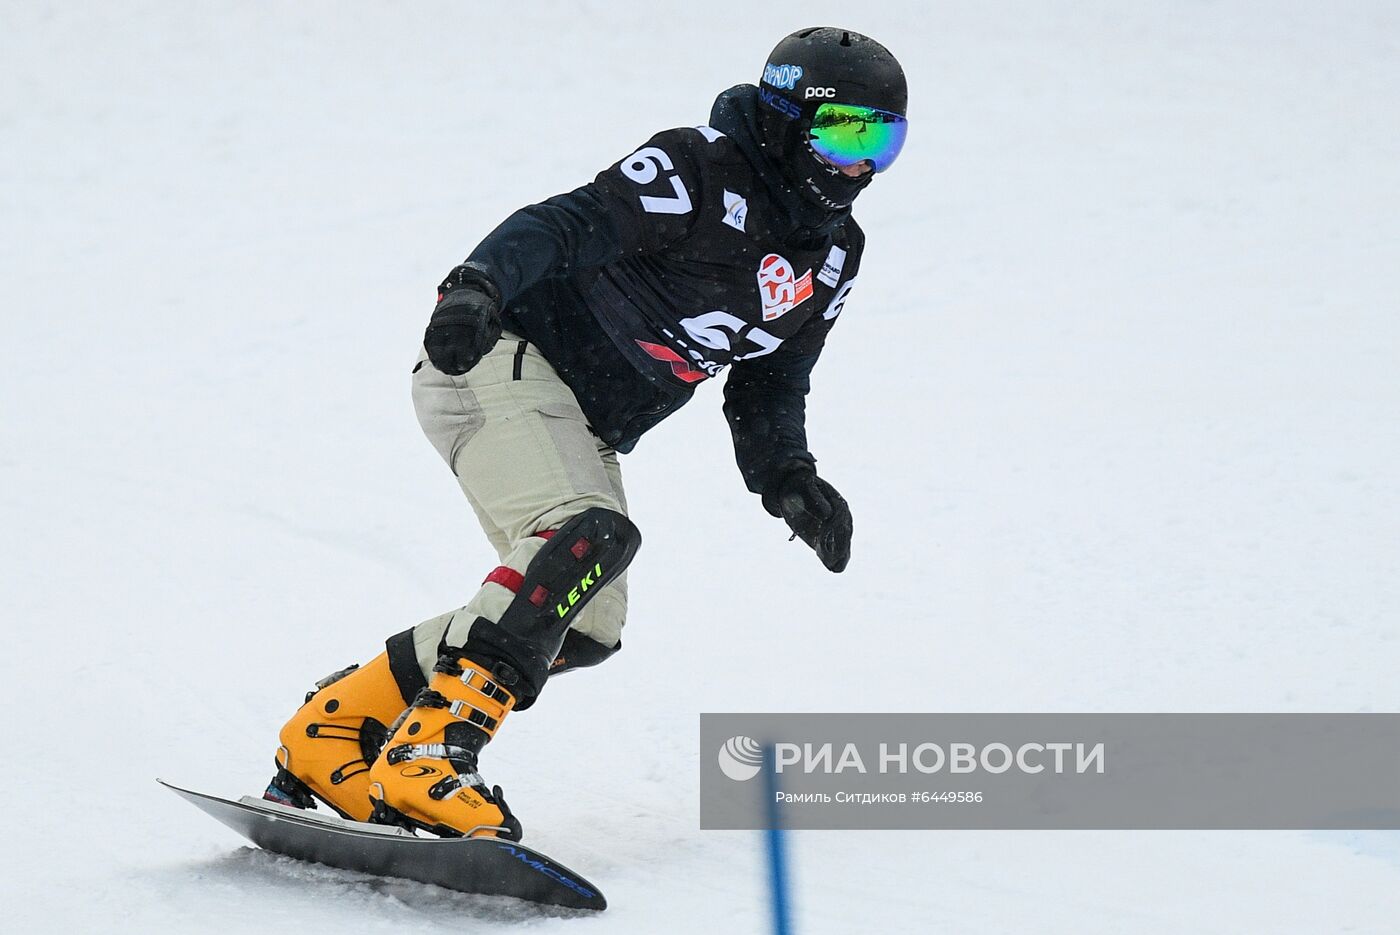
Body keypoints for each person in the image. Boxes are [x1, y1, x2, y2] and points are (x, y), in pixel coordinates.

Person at [263, 26, 908, 840]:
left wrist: (787, 474)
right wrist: (474, 286)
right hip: (499, 359)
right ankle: (429, 752)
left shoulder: (835, 255)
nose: (861, 165)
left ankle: (335, 727)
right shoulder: (698, 169)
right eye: (847, 132)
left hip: (578, 418)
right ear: (786, 119)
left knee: (587, 619)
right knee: (585, 536)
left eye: (885, 142)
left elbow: (772, 377)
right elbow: (563, 223)